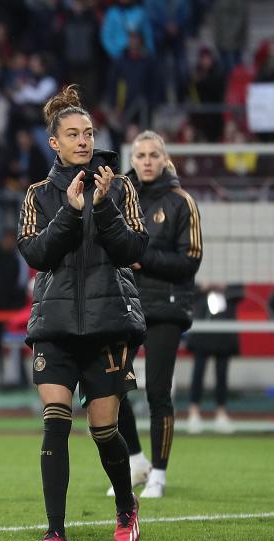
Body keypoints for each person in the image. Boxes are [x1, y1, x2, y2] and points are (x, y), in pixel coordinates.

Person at [17, 85, 148, 541]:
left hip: (108, 322)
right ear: (53, 142)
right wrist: (71, 213)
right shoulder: (37, 195)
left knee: (103, 429)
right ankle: (55, 530)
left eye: (88, 133)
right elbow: (35, 254)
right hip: (54, 326)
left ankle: (126, 508)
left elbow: (134, 250)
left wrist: (104, 203)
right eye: (72, 134)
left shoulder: (122, 186)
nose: (83, 141)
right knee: (55, 419)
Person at [113, 131, 203, 499]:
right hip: (125, 305)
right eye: (140, 155)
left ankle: (160, 474)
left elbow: (190, 260)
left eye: (153, 155)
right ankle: (136, 460)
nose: (147, 161)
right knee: (112, 386)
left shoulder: (182, 202)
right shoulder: (119, 198)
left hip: (167, 308)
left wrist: (142, 258)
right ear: (131, 160)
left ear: (165, 159)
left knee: (157, 392)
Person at [187, 284, 243, 434]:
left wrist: (222, 287)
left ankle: (221, 414)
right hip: (203, 330)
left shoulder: (232, 278)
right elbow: (188, 286)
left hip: (224, 331)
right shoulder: (195, 263)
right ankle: (194, 413)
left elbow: (240, 292)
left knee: (222, 374)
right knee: (198, 373)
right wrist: (205, 286)